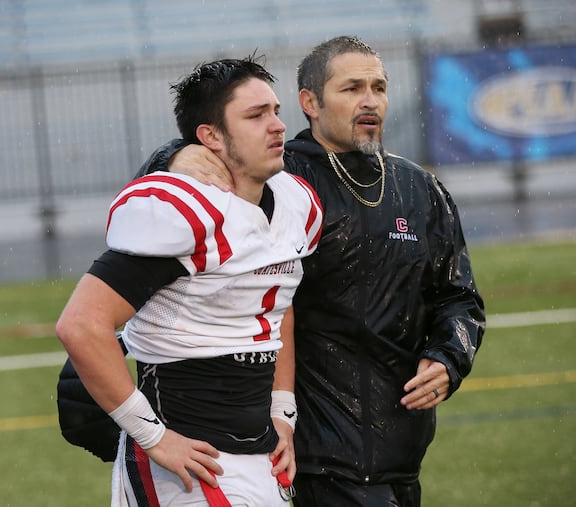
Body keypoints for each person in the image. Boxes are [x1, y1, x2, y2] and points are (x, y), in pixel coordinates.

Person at [136, 35, 486, 506]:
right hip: (307, 449)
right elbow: (168, 191)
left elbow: (458, 297)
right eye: (351, 88)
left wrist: (449, 357)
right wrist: (172, 156)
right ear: (310, 102)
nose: (370, 101)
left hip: (402, 444)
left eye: (379, 88)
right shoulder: (280, 178)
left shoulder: (420, 189)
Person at [56, 55, 324, 506]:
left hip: (257, 450)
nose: (278, 125)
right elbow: (80, 325)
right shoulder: (185, 214)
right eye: (256, 115)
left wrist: (283, 409)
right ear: (210, 137)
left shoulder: (296, 203)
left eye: (276, 111)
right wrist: (153, 437)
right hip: (188, 449)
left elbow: (277, 305)